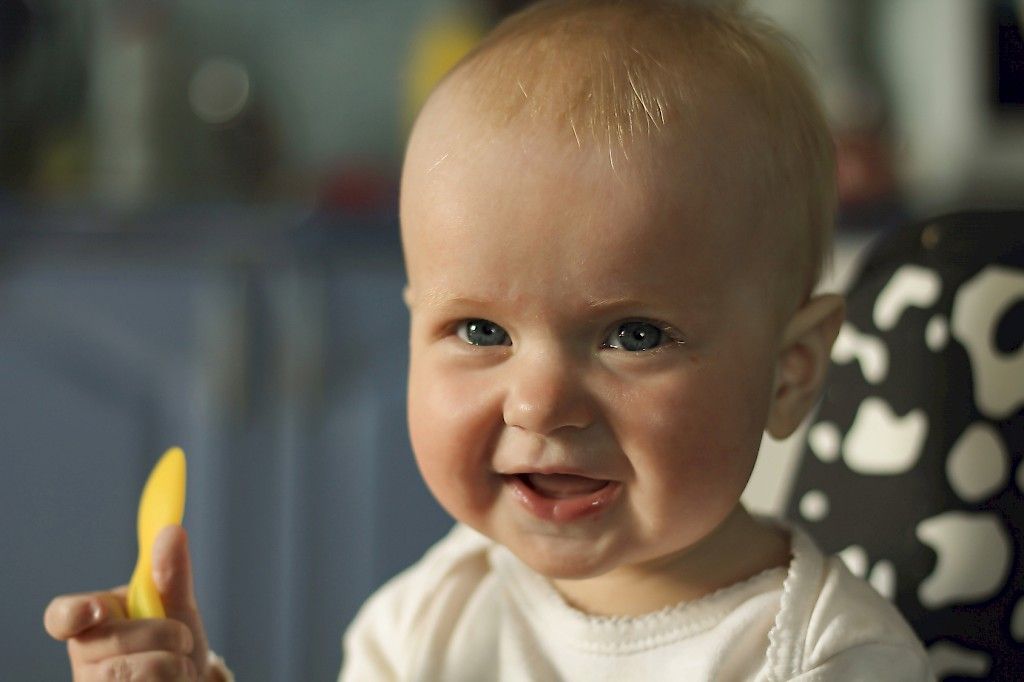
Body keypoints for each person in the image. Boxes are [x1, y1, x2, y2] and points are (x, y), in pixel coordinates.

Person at [44, 1, 933, 679]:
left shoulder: (825, 654)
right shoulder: (426, 621)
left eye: (632, 334)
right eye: (480, 330)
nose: (539, 400)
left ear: (791, 371)